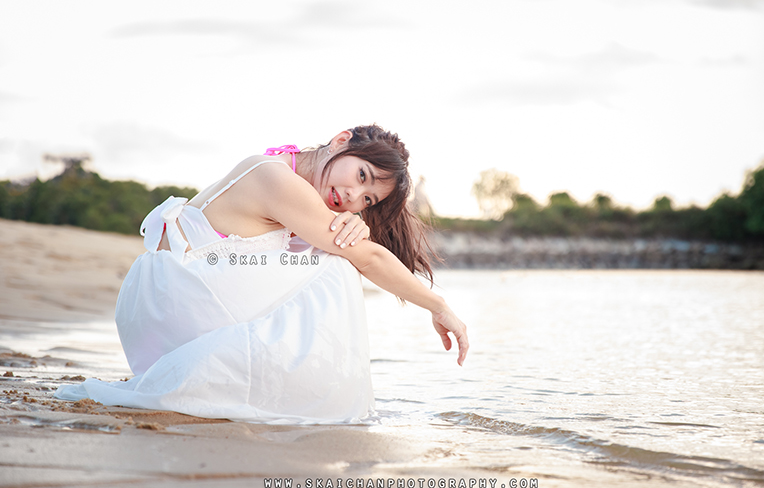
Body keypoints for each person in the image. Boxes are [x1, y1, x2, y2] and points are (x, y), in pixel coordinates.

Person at [55, 124, 469, 423]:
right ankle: (318, 402)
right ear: (341, 140)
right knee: (341, 265)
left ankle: (294, 391)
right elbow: (371, 260)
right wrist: (438, 305)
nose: (352, 198)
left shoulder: (280, 170)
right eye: (361, 176)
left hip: (156, 307)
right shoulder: (277, 179)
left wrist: (351, 231)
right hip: (172, 304)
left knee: (336, 252)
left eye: (367, 200)